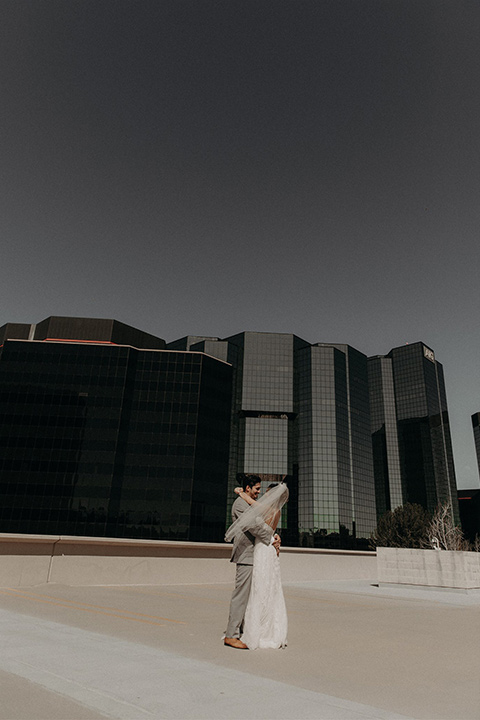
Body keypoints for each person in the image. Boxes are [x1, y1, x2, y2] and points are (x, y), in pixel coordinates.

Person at [223, 474, 281, 649]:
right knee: (241, 596)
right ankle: (231, 635)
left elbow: (262, 522)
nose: (258, 492)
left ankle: (241, 630)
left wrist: (274, 535)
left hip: (254, 555)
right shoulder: (240, 504)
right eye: (256, 489)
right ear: (247, 488)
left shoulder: (246, 502)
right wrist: (271, 538)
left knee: (250, 596)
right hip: (245, 555)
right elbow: (255, 526)